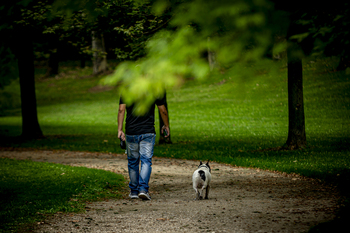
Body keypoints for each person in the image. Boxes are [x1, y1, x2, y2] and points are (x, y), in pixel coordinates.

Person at [118, 93, 170, 200]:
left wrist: (120, 129)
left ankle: (133, 191)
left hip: (131, 131)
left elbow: (121, 110)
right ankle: (143, 189)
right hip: (148, 131)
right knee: (146, 160)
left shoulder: (127, 89)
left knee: (133, 161)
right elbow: (163, 110)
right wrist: (166, 125)